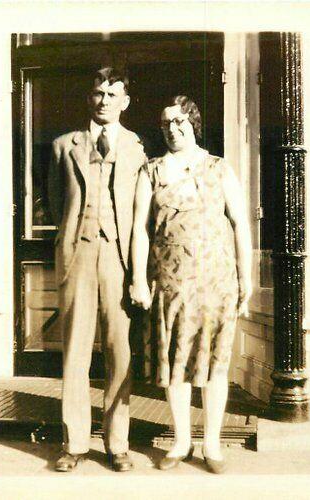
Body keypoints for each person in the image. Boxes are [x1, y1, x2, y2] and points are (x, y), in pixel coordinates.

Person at [129, 96, 252, 473]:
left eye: (180, 121)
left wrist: (247, 279)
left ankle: (212, 445)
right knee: (177, 364)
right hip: (171, 283)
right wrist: (138, 278)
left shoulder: (218, 168)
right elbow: (140, 230)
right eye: (166, 122)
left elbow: (240, 224)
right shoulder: (151, 171)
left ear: (193, 123)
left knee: (214, 364)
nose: (173, 128)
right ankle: (182, 442)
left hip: (217, 283)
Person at [48, 67, 147, 472]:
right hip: (78, 256)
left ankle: (117, 443)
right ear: (89, 98)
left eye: (112, 94)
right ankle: (74, 444)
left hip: (119, 259)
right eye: (97, 93)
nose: (103, 100)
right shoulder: (62, 145)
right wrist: (73, 241)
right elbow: (57, 204)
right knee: (74, 351)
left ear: (125, 101)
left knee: (119, 351)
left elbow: (141, 211)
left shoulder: (138, 148)